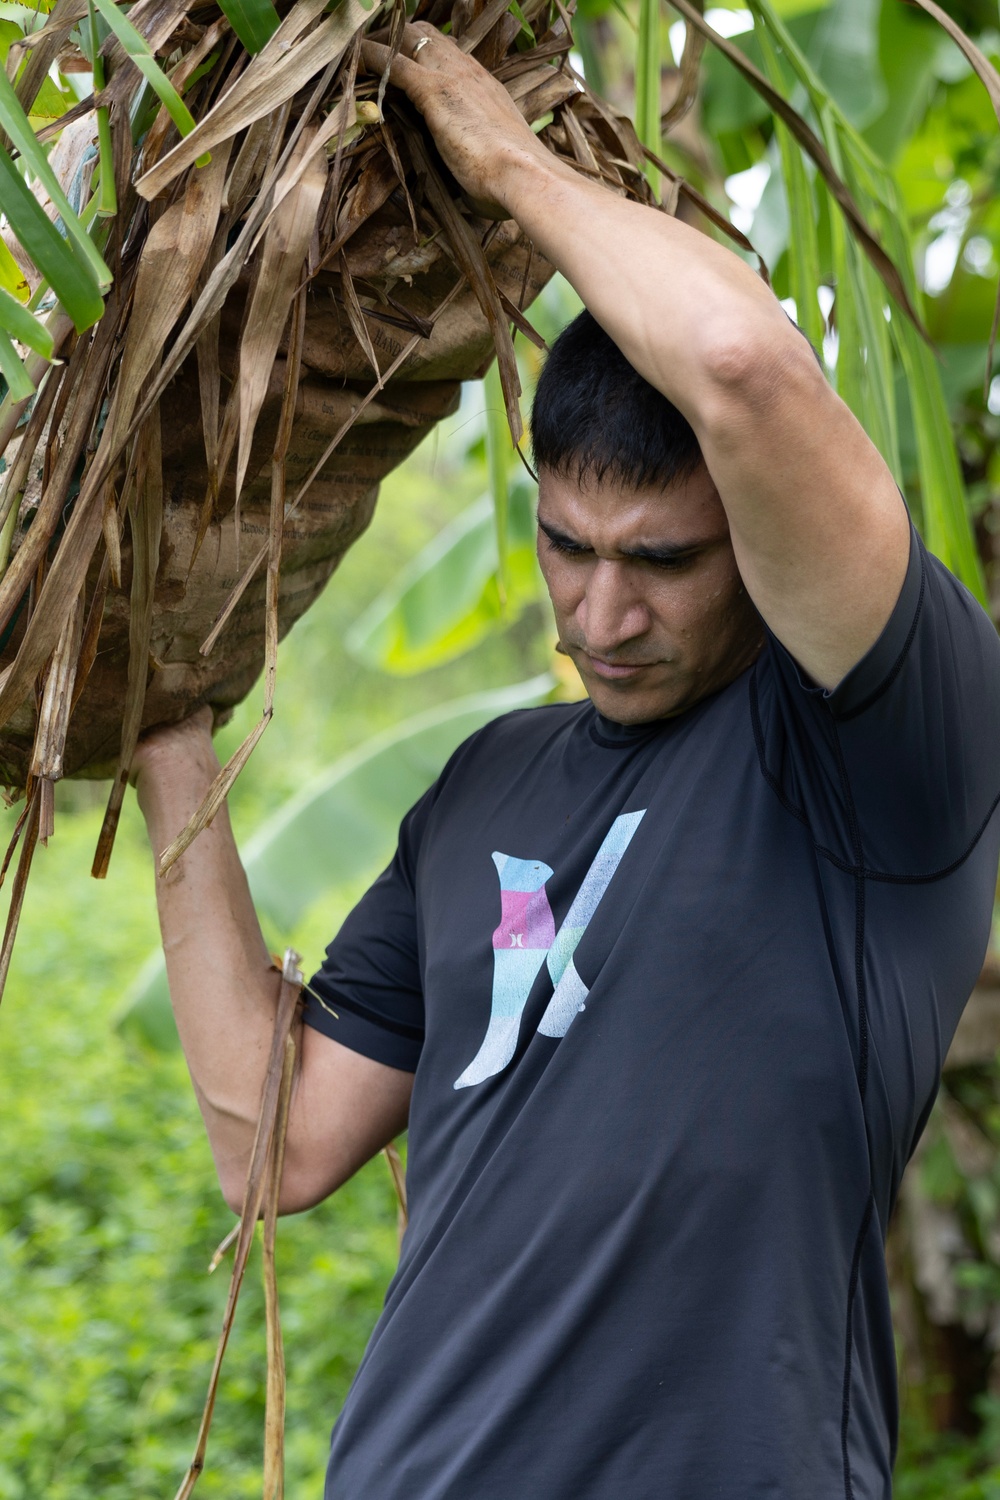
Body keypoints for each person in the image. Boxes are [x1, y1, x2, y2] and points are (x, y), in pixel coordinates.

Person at [132, 25, 1000, 1500]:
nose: (599, 615)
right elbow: (269, 1144)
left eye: (662, 561)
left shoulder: (885, 746)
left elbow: (740, 364)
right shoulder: (484, 785)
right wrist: (165, 725)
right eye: (564, 546)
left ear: (755, 531)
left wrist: (495, 155)